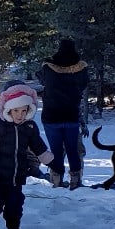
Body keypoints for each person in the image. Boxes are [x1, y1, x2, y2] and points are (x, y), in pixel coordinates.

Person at [0, 82, 54, 229]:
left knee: (15, 205)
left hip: (17, 178)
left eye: (24, 111)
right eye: (16, 110)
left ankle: (13, 226)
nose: (20, 115)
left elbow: (37, 145)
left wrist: (50, 161)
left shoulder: (29, 127)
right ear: (7, 108)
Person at [36, 38, 89, 190]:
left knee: (56, 151)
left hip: (51, 117)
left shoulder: (49, 68)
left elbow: (42, 79)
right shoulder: (81, 69)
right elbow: (84, 84)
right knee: (73, 150)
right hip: (71, 115)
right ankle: (75, 182)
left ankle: (56, 181)